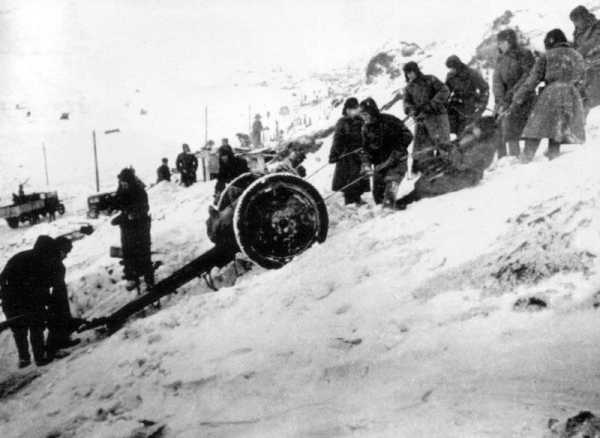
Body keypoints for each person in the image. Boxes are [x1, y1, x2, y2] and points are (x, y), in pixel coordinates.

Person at [511, 29, 586, 162]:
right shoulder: (577, 55)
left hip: (551, 93)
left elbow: (532, 80)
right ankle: (553, 158)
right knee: (558, 129)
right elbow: (583, 78)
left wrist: (518, 97)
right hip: (571, 94)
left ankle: (526, 158)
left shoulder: (546, 56)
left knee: (535, 127)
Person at [396, 116, 499, 209]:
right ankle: (413, 195)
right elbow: (458, 144)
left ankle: (409, 199)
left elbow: (462, 163)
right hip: (455, 166)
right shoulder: (474, 136)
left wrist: (452, 151)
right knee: (427, 177)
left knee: (435, 185)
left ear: (485, 130)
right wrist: (448, 146)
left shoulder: (485, 147)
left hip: (469, 175)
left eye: (477, 128)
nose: (474, 129)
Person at [0, 236, 63, 367]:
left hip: (11, 300)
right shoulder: (44, 262)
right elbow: (44, 285)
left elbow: (2, 277)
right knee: (36, 327)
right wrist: (48, 301)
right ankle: (39, 357)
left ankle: (24, 358)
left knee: (19, 330)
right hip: (29, 301)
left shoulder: (19, 256)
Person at [359, 97, 414, 207]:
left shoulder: (389, 120)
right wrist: (366, 164)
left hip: (397, 162)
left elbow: (407, 135)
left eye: (365, 114)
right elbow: (365, 150)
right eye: (362, 115)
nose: (364, 117)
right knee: (378, 199)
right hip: (380, 166)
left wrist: (398, 150)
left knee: (389, 195)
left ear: (372, 112)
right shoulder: (365, 129)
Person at [492, 28, 536, 158]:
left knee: (520, 126)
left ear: (509, 41)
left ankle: (525, 156)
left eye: (502, 42)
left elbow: (528, 75)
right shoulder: (500, 60)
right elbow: (497, 82)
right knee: (500, 125)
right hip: (506, 99)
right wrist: (500, 100)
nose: (499, 45)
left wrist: (512, 94)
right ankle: (506, 159)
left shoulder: (524, 54)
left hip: (524, 96)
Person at [403, 62, 451, 173]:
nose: (410, 75)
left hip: (438, 116)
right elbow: (406, 103)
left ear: (416, 70)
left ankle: (450, 167)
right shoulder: (408, 88)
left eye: (411, 72)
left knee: (443, 143)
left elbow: (445, 90)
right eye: (407, 73)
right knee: (424, 148)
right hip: (422, 120)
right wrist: (412, 110)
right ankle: (429, 171)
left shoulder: (430, 79)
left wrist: (432, 104)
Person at [112, 168, 154, 292]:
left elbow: (145, 207)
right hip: (126, 226)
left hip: (140, 225)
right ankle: (132, 277)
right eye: (121, 182)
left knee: (143, 251)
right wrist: (119, 213)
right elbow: (117, 204)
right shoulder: (120, 191)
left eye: (125, 182)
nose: (123, 185)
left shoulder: (140, 192)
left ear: (130, 181)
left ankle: (149, 280)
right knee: (127, 251)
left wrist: (134, 214)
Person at [329, 97, 370, 205]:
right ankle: (350, 201)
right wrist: (334, 154)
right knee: (350, 178)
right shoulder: (342, 123)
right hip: (347, 156)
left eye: (356, 108)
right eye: (352, 109)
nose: (354, 111)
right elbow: (337, 139)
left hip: (360, 153)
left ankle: (358, 199)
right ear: (346, 110)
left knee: (360, 177)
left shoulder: (361, 121)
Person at [45, 236, 81, 359]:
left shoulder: (55, 260)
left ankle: (64, 340)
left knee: (63, 316)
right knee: (55, 320)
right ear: (59, 249)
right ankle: (51, 349)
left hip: (58, 294)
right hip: (52, 296)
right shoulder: (50, 261)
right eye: (65, 252)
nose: (66, 255)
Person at [445, 55, 490, 136]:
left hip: (471, 106)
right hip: (456, 107)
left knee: (470, 133)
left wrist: (482, 104)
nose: (451, 70)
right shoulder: (450, 76)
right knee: (457, 132)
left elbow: (485, 89)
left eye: (452, 68)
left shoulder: (471, 73)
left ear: (457, 65)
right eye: (450, 68)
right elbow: (445, 93)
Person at [570, 5, 600, 112]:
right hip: (584, 67)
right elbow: (575, 46)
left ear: (585, 17)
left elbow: (592, 44)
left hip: (596, 65)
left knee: (590, 97)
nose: (575, 24)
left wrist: (575, 55)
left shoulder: (597, 27)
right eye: (573, 22)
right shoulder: (578, 31)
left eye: (577, 21)